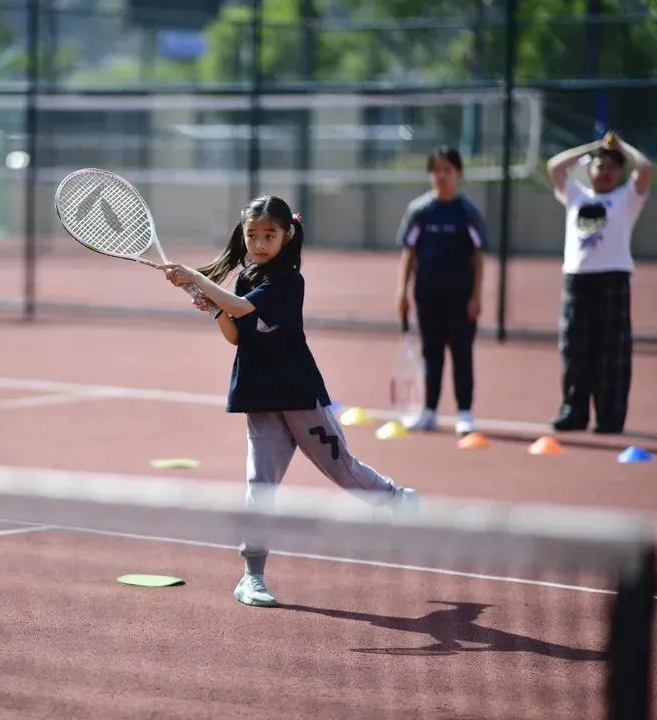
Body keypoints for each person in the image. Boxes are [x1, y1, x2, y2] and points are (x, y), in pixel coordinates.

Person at [159, 195, 419, 609]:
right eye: (252, 235)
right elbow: (237, 334)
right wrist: (213, 310)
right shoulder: (244, 280)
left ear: (286, 236)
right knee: (260, 487)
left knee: (343, 471)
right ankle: (252, 577)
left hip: (299, 394)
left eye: (269, 235)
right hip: (259, 397)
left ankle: (395, 498)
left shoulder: (289, 282)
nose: (259, 244)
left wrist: (197, 278)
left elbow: (243, 307)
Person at [545, 131, 653, 434]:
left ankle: (610, 415)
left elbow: (645, 169)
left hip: (612, 278)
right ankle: (574, 411)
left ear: (620, 173)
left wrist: (621, 146)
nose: (605, 172)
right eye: (600, 166)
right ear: (590, 169)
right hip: (577, 279)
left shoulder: (626, 198)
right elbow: (555, 166)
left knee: (611, 352)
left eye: (612, 168)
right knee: (574, 349)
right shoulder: (576, 194)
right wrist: (594, 147)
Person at [394, 146, 488, 437]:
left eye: (447, 170)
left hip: (461, 298)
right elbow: (409, 253)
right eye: (436, 170)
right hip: (427, 296)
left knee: (462, 354)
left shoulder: (467, 213)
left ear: (458, 173)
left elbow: (478, 257)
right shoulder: (420, 211)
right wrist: (402, 292)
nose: (441, 176)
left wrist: (476, 296)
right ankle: (429, 411)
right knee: (431, 354)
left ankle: (465, 413)